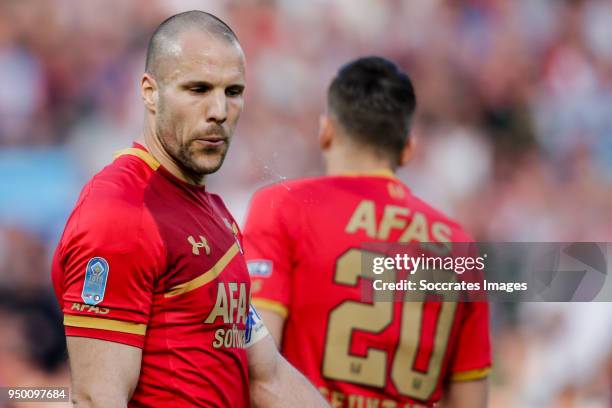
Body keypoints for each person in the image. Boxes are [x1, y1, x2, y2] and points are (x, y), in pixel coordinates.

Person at [51, 10, 328, 408]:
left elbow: (266, 375)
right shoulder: (122, 213)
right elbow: (98, 398)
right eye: (198, 89)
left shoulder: (214, 214)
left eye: (233, 91)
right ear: (150, 91)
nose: (219, 110)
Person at [242, 57, 492, 407]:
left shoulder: (283, 207)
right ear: (408, 149)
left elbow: (256, 366)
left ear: (326, 131)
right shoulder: (460, 248)